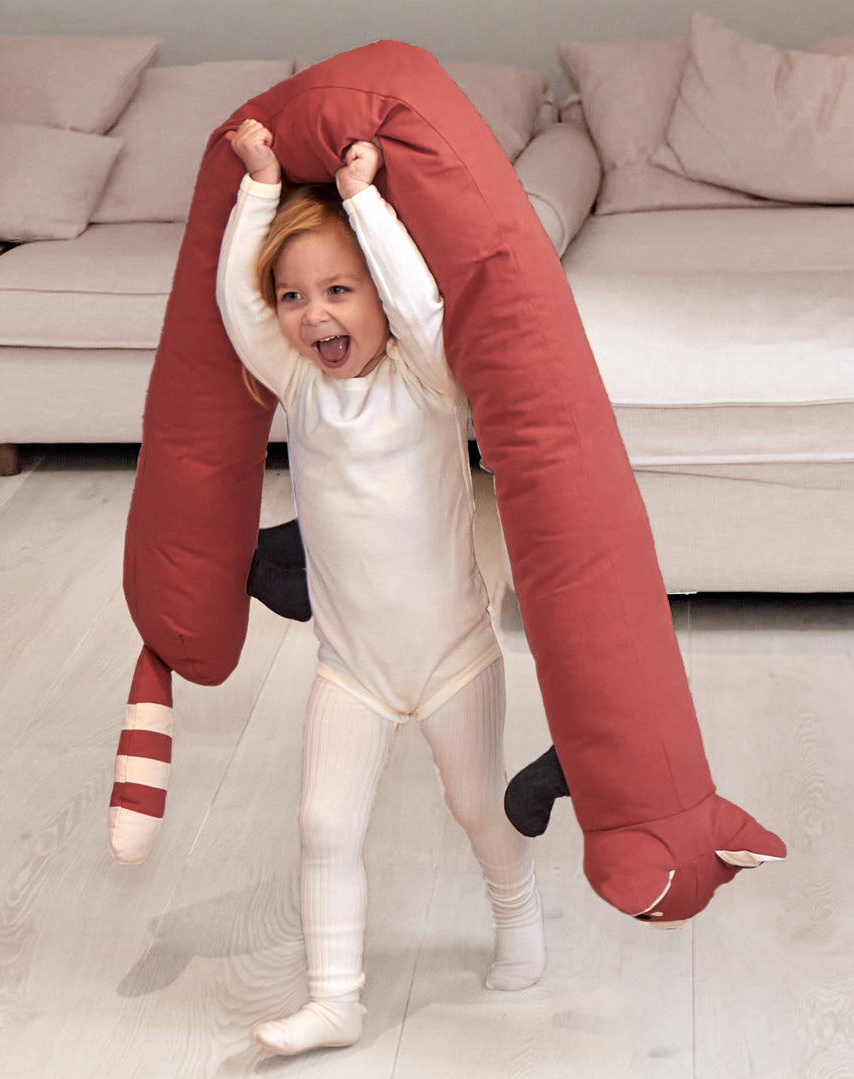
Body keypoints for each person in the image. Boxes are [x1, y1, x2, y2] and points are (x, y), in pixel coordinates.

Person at [216, 119, 545, 1056]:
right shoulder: (299, 388)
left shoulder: (431, 379)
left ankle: (517, 914)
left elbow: (429, 310)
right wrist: (260, 190)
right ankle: (335, 997)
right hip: (351, 666)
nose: (314, 314)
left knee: (481, 806)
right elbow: (236, 310)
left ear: (378, 299)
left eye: (338, 290)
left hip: (453, 657)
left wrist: (363, 198)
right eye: (294, 296)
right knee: (324, 823)